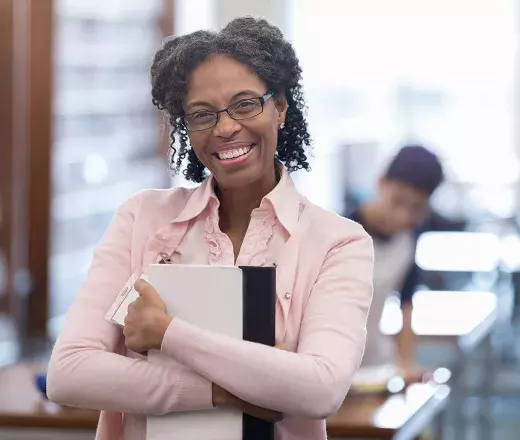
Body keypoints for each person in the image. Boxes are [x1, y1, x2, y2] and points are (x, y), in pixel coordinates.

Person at [46, 17, 373, 440]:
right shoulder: (141, 218)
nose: (225, 127)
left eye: (245, 104)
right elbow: (69, 372)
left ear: (280, 106)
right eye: (202, 114)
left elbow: (320, 388)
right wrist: (221, 391)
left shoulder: (338, 243)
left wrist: (168, 334)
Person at [346, 145, 443, 377]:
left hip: (377, 365)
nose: (404, 216)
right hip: (334, 365)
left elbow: (406, 304)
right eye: (397, 202)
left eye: (416, 208)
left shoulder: (408, 240)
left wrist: (406, 364)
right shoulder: (340, 231)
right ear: (381, 183)